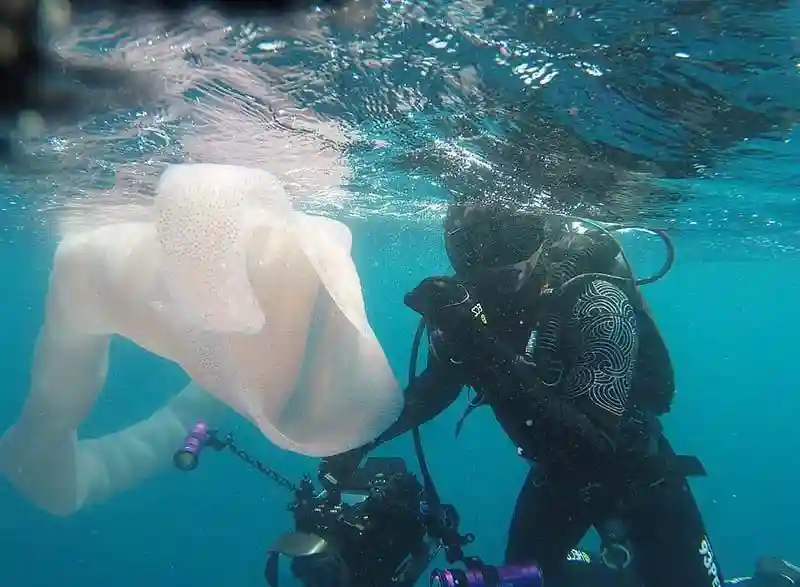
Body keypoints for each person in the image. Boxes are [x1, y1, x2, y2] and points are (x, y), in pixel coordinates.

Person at [321, 202, 720, 587]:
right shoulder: (468, 308)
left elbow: (593, 452)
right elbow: (439, 384)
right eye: (472, 245)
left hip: (641, 481)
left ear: (542, 235)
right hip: (555, 481)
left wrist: (473, 340)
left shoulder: (597, 301)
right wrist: (362, 438)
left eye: (515, 238)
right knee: (523, 577)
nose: (498, 262)